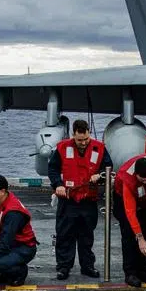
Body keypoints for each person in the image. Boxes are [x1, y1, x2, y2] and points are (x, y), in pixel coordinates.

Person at [48, 117, 112, 280]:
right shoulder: (62, 148)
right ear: (73, 135)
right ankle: (63, 267)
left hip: (88, 200)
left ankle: (87, 266)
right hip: (68, 199)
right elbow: (53, 169)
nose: (83, 143)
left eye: (85, 139)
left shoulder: (99, 148)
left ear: (89, 134)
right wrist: (58, 185)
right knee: (64, 235)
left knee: (86, 235)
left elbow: (108, 168)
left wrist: (101, 176)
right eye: (79, 140)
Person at [112, 154, 146, 288]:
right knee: (129, 236)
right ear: (136, 174)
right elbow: (130, 213)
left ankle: (141, 270)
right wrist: (140, 237)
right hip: (124, 201)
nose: (144, 181)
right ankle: (130, 273)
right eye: (141, 180)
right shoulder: (127, 181)